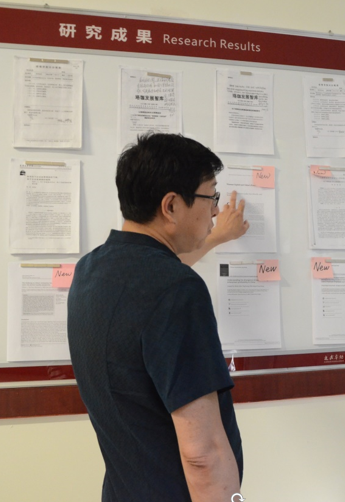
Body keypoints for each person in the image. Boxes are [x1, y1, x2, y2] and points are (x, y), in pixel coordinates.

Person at [67, 133, 245, 502]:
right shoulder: (178, 289)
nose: (215, 211)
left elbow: (152, 277)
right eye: (211, 197)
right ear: (171, 205)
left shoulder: (91, 270)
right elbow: (203, 456)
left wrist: (214, 239)